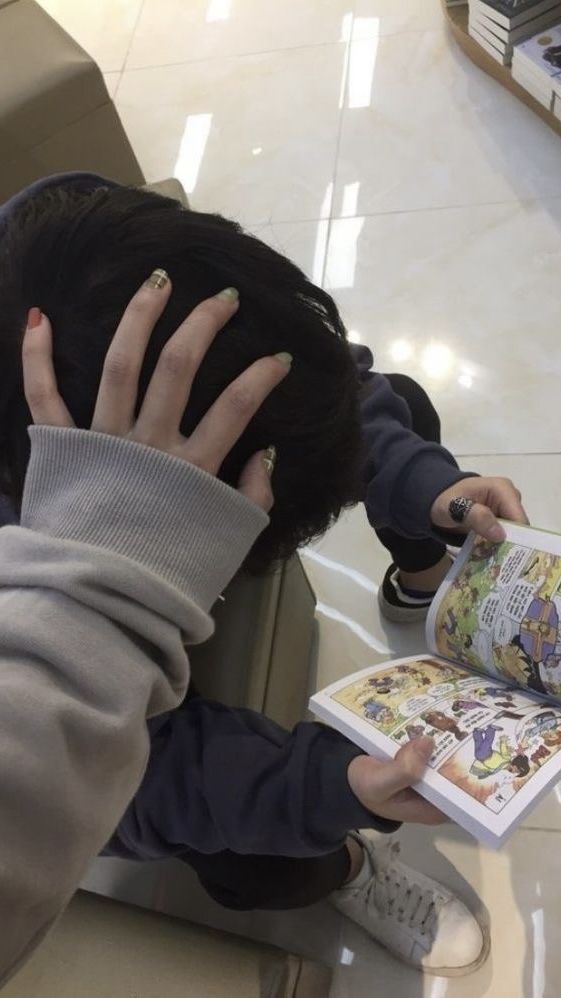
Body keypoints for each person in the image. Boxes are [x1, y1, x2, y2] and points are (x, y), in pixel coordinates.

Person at [0, 173, 528, 982]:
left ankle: (423, 577)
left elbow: (324, 378)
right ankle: (346, 872)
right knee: (259, 853)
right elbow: (115, 786)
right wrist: (330, 787)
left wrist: (428, 491)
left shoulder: (98, 251)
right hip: (56, 654)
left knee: (400, 412)